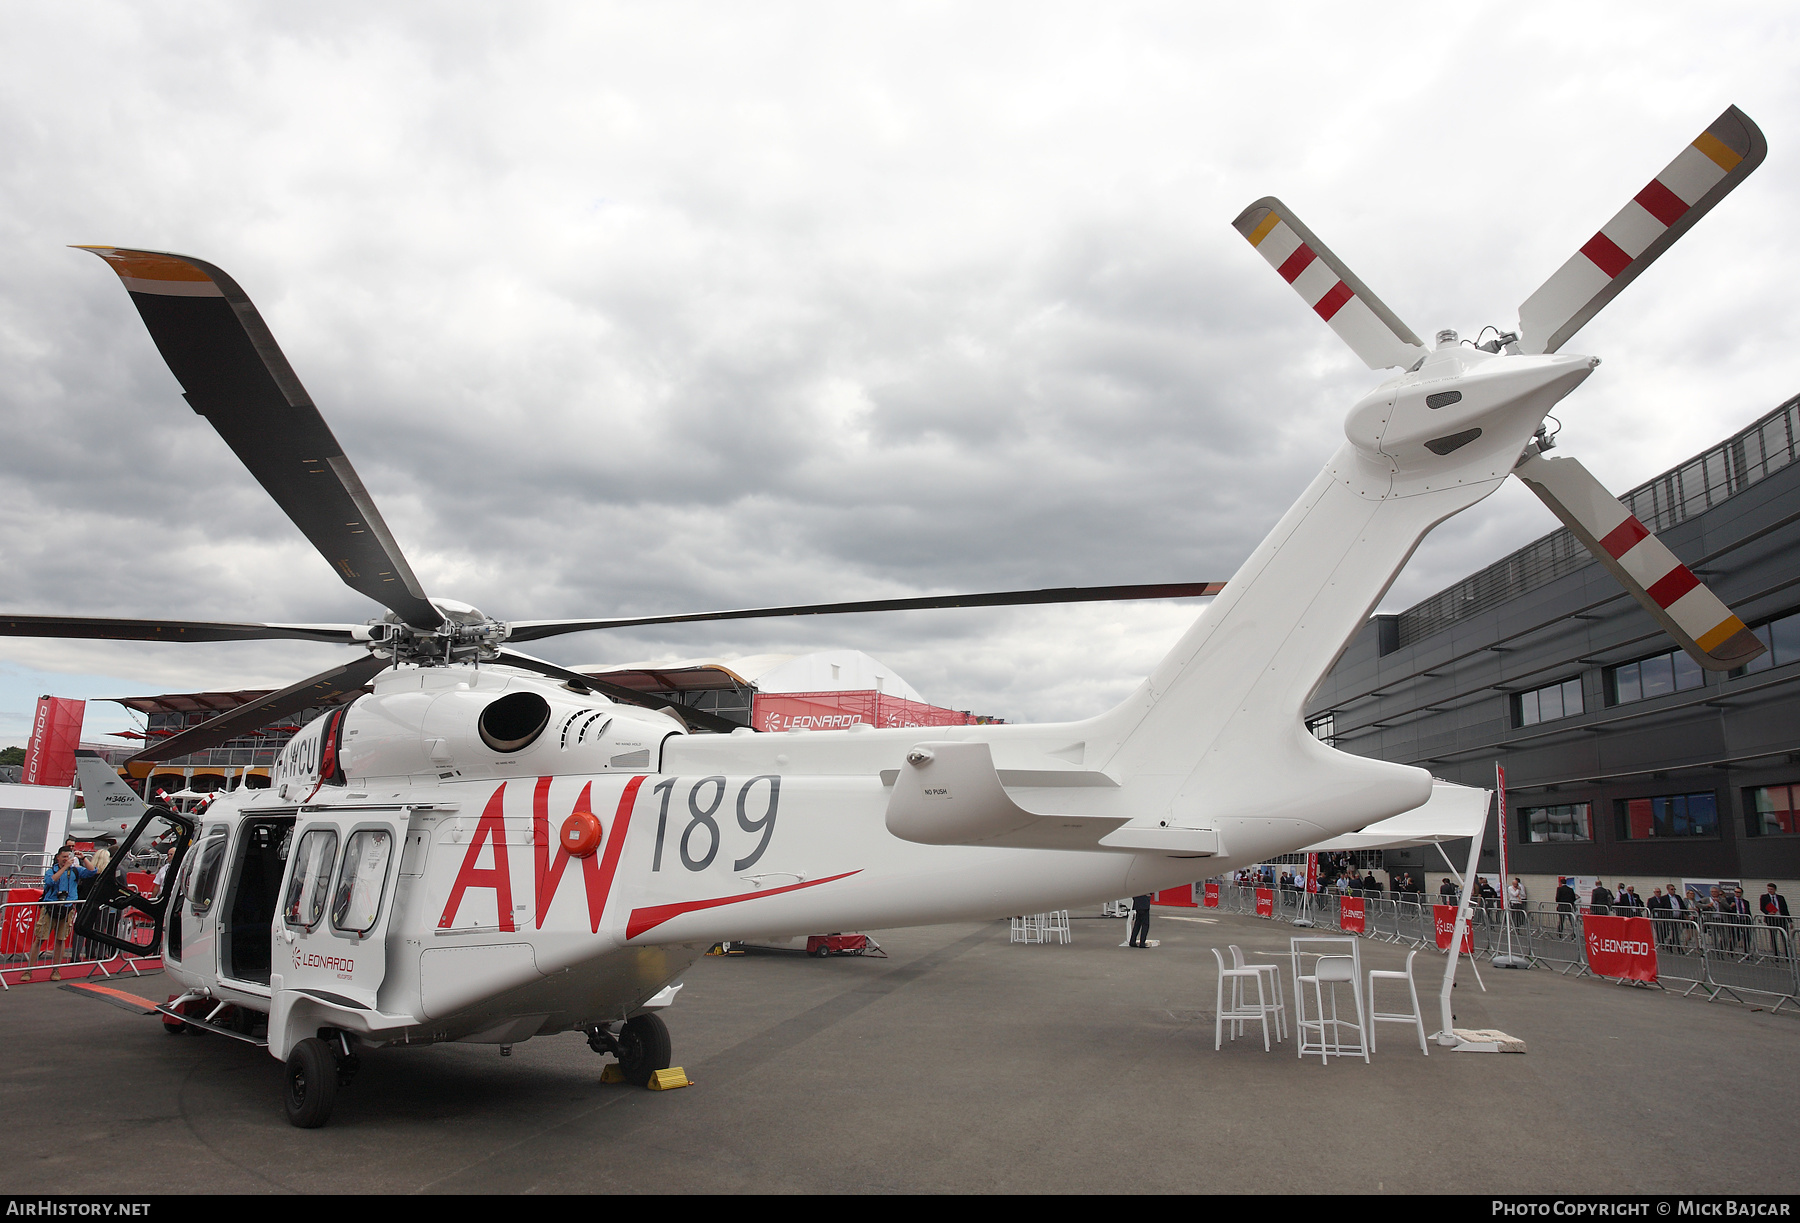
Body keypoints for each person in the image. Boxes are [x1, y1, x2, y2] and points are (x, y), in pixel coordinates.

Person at [22, 848, 93, 981]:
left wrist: (83, 858)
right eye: (64, 856)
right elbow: (50, 882)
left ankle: (56, 970)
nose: (66, 859)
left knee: (60, 940)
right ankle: (28, 970)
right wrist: (64, 868)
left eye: (68, 856)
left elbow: (92, 871)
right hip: (50, 908)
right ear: (58, 858)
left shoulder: (76, 871)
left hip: (67, 908)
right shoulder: (51, 871)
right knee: (40, 939)